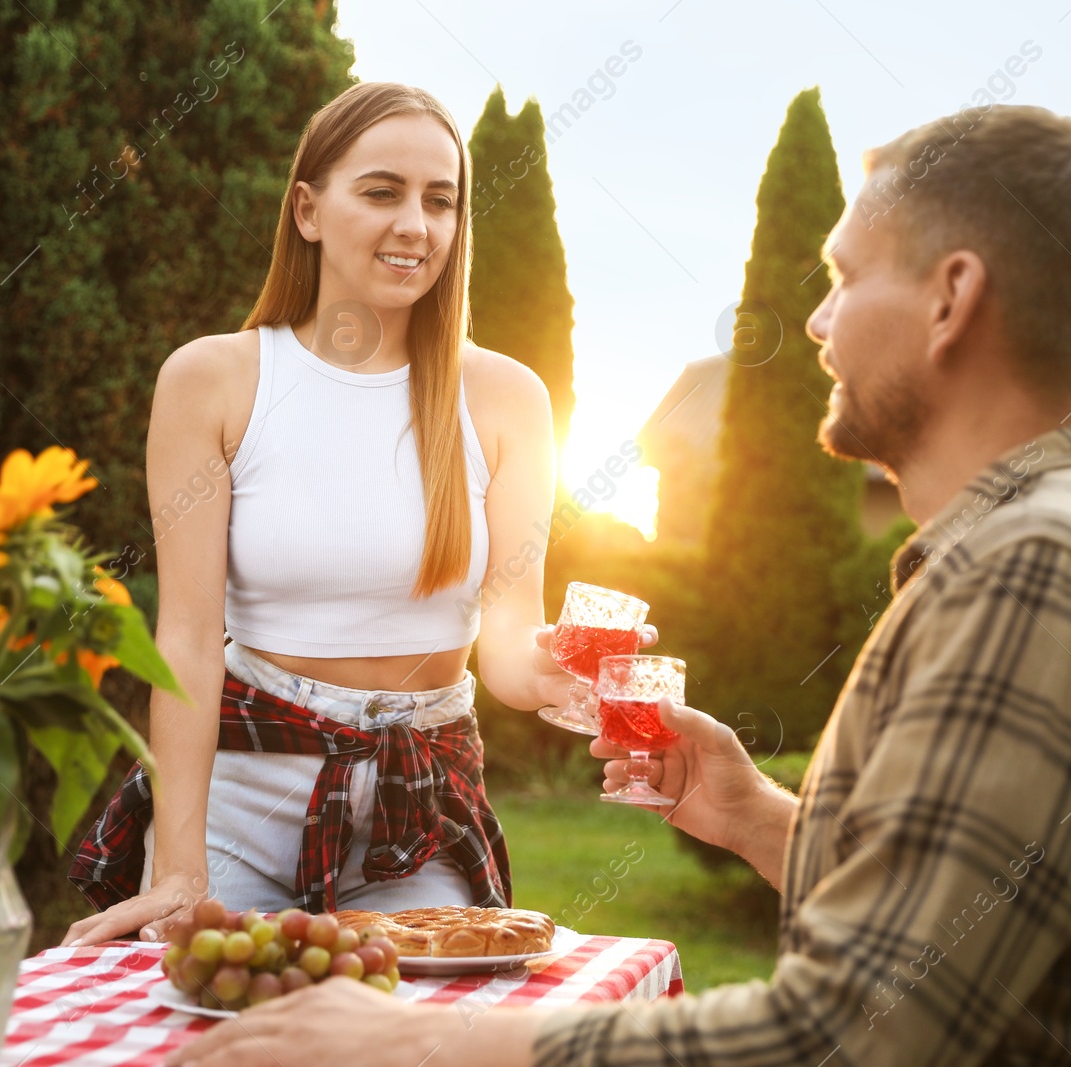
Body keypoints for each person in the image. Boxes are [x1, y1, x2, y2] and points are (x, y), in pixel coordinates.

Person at [165, 102, 1071, 1066]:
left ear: (949, 298)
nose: (817, 323)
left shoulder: (1037, 578)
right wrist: (757, 818)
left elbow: (850, 1024)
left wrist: (424, 1039)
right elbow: (957, 925)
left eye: (843, 277)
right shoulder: (1039, 549)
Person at [62, 82, 646, 946]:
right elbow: (184, 641)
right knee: (217, 1027)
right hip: (244, 795)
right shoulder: (212, 380)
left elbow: (509, 649)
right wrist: (182, 868)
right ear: (307, 209)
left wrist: (575, 670)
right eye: (382, 192)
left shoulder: (507, 398)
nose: (417, 224)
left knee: (424, 1038)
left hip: (422, 798)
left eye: (440, 201)